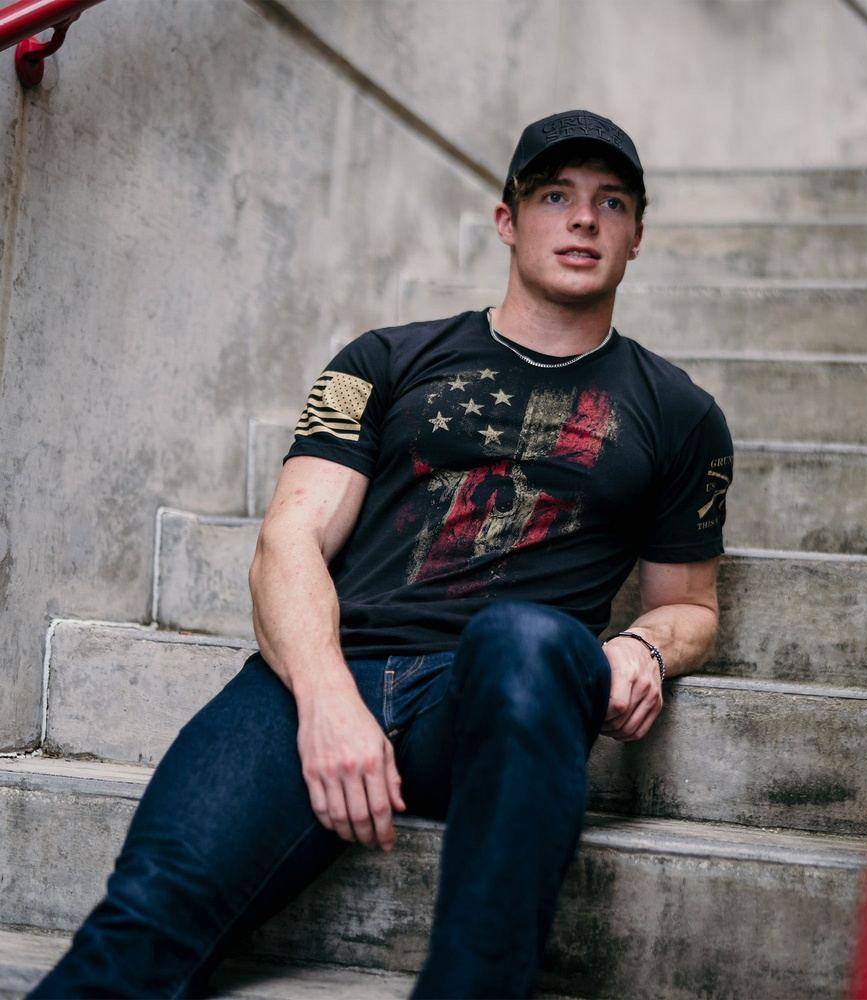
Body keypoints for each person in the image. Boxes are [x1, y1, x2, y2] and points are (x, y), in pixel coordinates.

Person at [28, 109, 733, 999]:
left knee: (528, 636)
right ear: (507, 220)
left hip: (500, 696)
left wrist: (643, 646)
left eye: (612, 202)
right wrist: (327, 703)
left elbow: (690, 605)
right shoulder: (383, 359)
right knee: (143, 922)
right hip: (335, 669)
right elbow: (288, 540)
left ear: (637, 237)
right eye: (556, 196)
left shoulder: (682, 415)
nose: (585, 219)